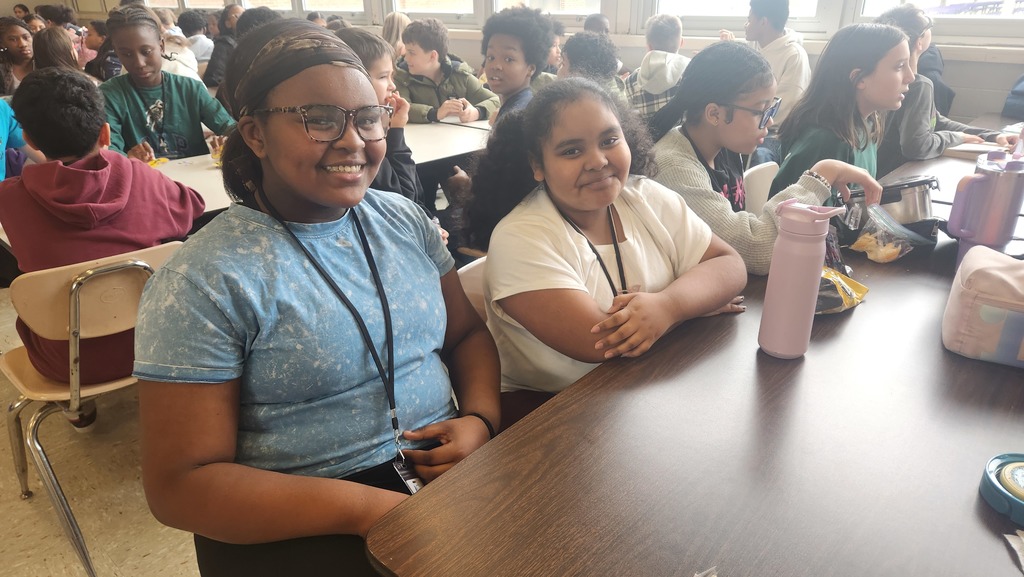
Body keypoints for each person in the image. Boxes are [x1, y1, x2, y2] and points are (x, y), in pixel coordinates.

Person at [133, 20, 499, 575]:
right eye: (319, 120)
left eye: (369, 117)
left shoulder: (403, 221)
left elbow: (467, 334)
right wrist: (369, 511)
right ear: (254, 134)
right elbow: (180, 486)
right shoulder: (204, 280)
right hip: (302, 511)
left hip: (442, 469)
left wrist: (479, 420)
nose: (353, 141)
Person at [467, 78, 747, 427]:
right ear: (537, 165)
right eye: (571, 150)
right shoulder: (520, 237)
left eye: (609, 140)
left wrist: (668, 307)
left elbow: (730, 265)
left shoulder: (647, 196)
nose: (598, 161)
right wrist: (688, 302)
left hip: (642, 393)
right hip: (550, 415)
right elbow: (601, 341)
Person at [0, 68, 204, 428]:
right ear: (106, 132)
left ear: (28, 137)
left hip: (66, 363)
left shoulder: (9, 201)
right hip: (161, 344)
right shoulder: (141, 177)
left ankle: (79, 408)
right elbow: (192, 207)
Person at [650, 41, 881, 275]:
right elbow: (757, 250)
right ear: (714, 114)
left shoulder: (725, 146)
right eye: (761, 112)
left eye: (772, 109)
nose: (769, 122)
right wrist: (822, 175)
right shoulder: (674, 167)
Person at [769, 23, 913, 198]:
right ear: (858, 78)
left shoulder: (867, 123)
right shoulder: (826, 141)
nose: (910, 76)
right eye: (899, 67)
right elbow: (794, 217)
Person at [874, 4, 1017, 177]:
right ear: (920, 41)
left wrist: (991, 136)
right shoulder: (920, 85)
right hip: (895, 178)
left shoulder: (889, 81)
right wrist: (956, 137)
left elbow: (935, 120)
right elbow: (916, 147)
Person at [100, 5, 234, 162]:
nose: (139, 63)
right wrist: (128, 157)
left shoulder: (190, 89)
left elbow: (229, 127)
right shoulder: (109, 95)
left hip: (193, 177)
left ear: (161, 46)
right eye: (126, 54)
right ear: (117, 53)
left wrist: (229, 141)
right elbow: (109, 150)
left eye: (146, 51)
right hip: (143, 178)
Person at [335, 26, 424, 205]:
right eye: (383, 77)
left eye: (392, 76)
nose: (392, 85)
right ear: (355, 78)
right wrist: (396, 131)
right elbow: (406, 198)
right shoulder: (361, 135)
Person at [395, 17, 499, 124]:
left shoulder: (460, 76)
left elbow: (495, 101)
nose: (406, 58)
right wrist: (435, 113)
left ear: (432, 56)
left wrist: (476, 112)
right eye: (406, 51)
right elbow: (399, 108)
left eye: (411, 53)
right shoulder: (401, 78)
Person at [480, 6, 552, 123]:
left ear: (531, 69)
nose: (496, 65)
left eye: (508, 59)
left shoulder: (517, 119)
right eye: (491, 57)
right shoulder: (518, 105)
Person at [625, 14, 689, 122]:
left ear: (649, 46)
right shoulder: (690, 73)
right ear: (681, 42)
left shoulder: (630, 82)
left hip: (650, 138)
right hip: (684, 138)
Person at [558, 31, 626, 103]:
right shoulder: (612, 86)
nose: (559, 67)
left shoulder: (585, 103)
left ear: (578, 73)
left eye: (563, 64)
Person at [202, 2, 242, 87]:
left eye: (244, 14)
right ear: (227, 23)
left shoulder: (247, 41)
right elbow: (213, 79)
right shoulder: (224, 45)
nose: (244, 17)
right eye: (238, 16)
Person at [0, 17, 33, 95]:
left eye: (26, 37)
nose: (23, 44)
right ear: (2, 44)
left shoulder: (43, 61)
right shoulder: (2, 70)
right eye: (13, 39)